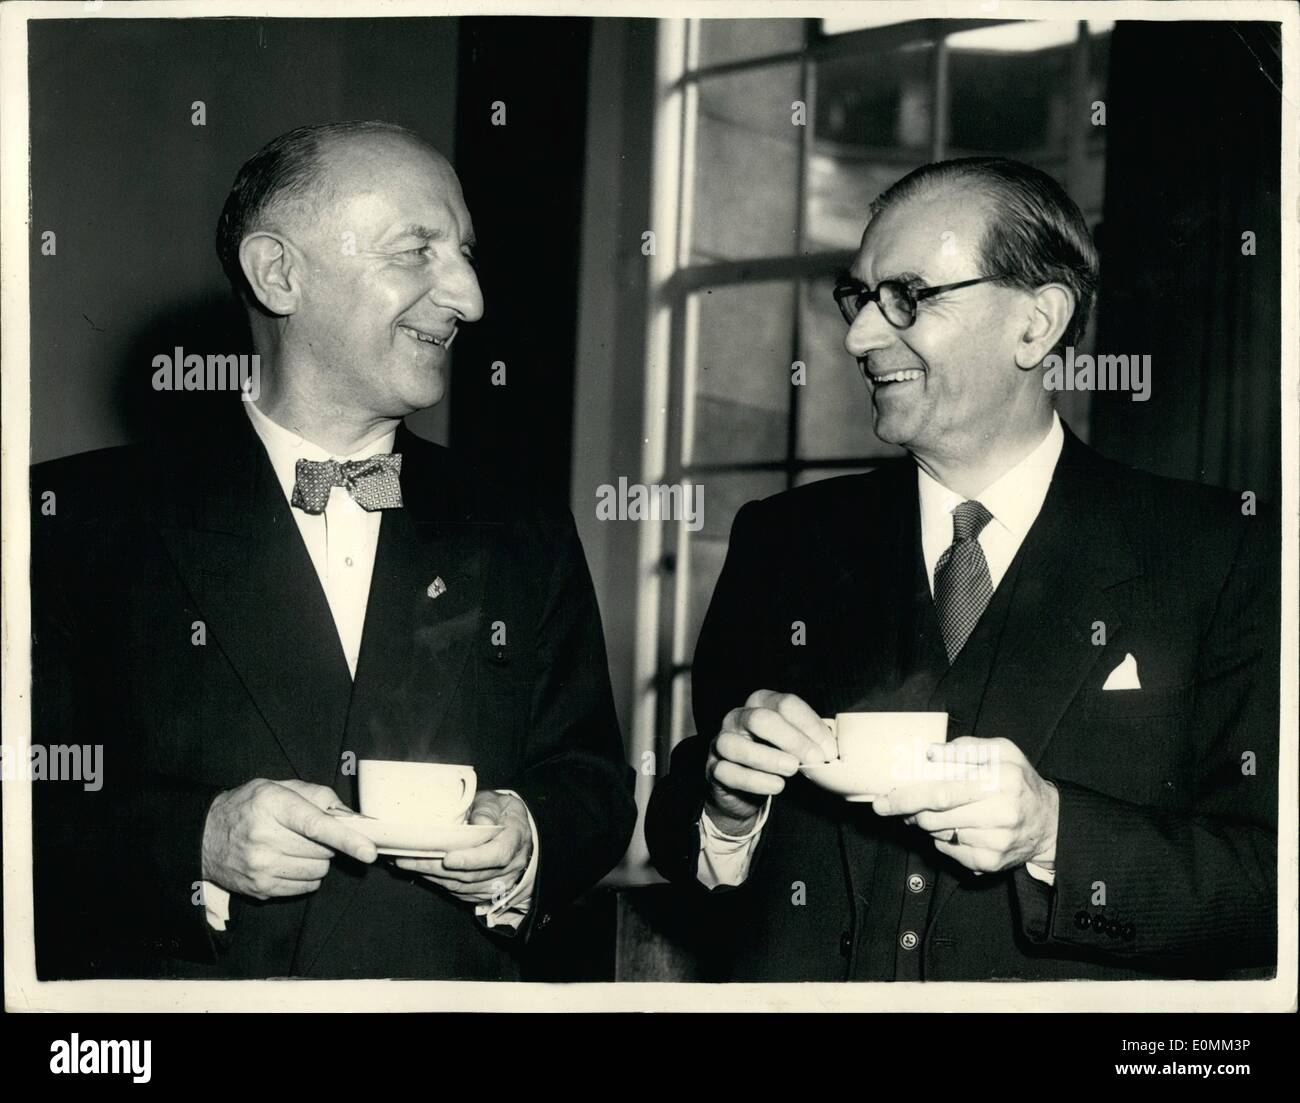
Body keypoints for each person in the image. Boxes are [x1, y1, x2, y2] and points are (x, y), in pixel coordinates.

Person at [645, 157, 1279, 981]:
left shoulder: (1217, 553)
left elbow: (1269, 889)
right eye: (860, 297)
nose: (859, 337)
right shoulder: (784, 541)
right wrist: (728, 809)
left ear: (1037, 323)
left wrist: (1054, 832)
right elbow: (684, 817)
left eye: (908, 296)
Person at [31, 121, 635, 979]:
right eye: (416, 251)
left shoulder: (520, 527)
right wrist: (193, 838)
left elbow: (593, 779)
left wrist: (527, 833)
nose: (468, 296)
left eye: (463, 252)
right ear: (280, 273)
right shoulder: (68, 520)